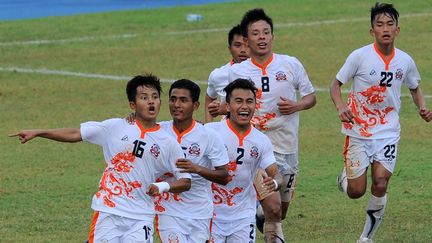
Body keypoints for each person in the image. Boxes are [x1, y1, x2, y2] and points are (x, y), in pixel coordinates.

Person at [10, 74, 192, 243]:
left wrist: (162, 186)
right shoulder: (115, 127)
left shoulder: (168, 143)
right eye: (144, 98)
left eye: (154, 97)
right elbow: (75, 133)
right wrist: (39, 132)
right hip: (109, 210)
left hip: (141, 216)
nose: (151, 102)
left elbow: (185, 181)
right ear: (133, 105)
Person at [330, 3, 432, 243]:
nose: (385, 29)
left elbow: (415, 86)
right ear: (372, 31)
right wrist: (341, 106)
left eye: (389, 24)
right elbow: (335, 85)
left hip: (388, 132)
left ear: (397, 29)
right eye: (379, 24)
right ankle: (344, 178)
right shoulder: (359, 56)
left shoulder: (405, 60)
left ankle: (366, 238)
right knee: (356, 191)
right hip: (358, 131)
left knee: (381, 182)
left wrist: (423, 108)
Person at [226, 8, 316, 232]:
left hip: (287, 145)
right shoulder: (237, 72)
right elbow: (229, 108)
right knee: (273, 208)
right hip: (255, 147)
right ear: (246, 41)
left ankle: (259, 212)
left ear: (273, 36)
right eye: (256, 33)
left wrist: (297, 105)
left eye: (266, 32)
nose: (262, 37)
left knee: (280, 211)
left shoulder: (290, 64)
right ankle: (259, 213)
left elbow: (311, 97)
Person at [205, 78, 284, 243]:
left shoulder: (261, 140)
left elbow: (276, 175)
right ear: (227, 106)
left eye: (249, 101)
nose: (244, 107)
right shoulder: (210, 133)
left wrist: (274, 183)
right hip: (210, 216)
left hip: (243, 218)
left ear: (256, 105)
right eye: (238, 101)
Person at [153, 79, 230, 242]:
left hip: (200, 213)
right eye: (173, 99)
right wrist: (132, 118)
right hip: (168, 211)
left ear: (195, 105)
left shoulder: (208, 136)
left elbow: (224, 176)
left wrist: (197, 169)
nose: (176, 104)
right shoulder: (157, 131)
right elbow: (134, 131)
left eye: (183, 100)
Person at [205, 24, 249, 122]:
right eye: (238, 45)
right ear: (230, 48)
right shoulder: (218, 75)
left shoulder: (264, 72)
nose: (243, 50)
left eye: (247, 46)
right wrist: (208, 126)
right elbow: (209, 97)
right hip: (228, 134)